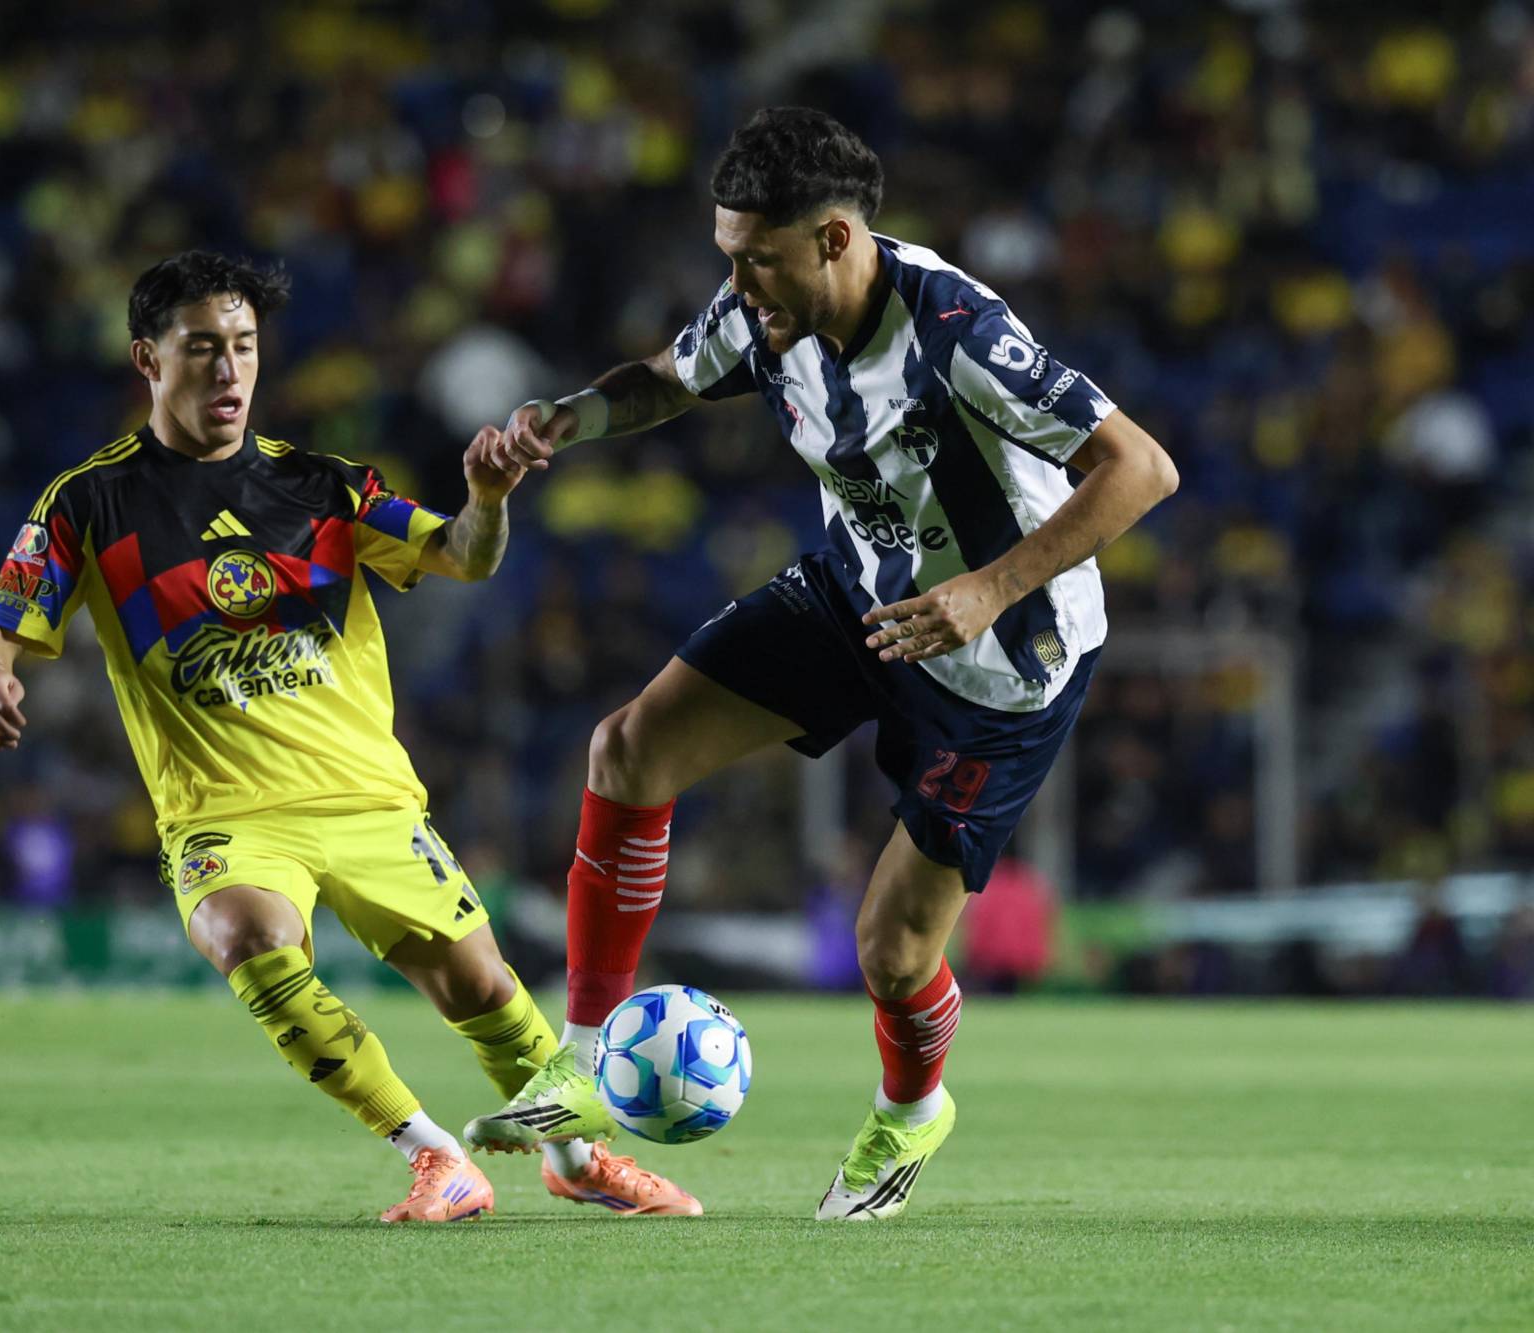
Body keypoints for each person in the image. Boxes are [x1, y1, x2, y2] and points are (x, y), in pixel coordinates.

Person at [465, 108, 1179, 1219]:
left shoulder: (953, 330)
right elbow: (669, 377)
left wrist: (986, 587)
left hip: (1000, 662)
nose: (738, 280)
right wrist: (568, 418)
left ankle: (911, 1108)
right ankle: (585, 1055)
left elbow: (1139, 467)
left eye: (757, 257)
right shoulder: (766, 308)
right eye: (729, 255)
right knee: (625, 747)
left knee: (891, 954)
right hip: (859, 592)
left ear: (835, 241)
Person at [0, 251, 697, 1222]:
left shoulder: (323, 487)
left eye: (244, 349)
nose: (228, 371)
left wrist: (487, 499)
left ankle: (576, 1156)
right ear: (147, 358)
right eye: (202, 349)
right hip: (224, 812)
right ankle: (434, 1156)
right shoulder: (89, 502)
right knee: (246, 934)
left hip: (368, 800)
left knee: (479, 985)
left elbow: (459, 557)